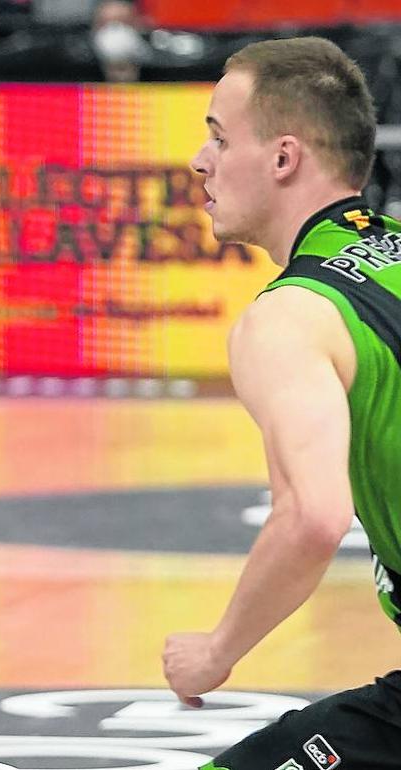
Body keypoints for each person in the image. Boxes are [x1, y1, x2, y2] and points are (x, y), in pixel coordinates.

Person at [163, 37, 401, 767]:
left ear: (283, 158)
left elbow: (313, 516)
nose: (200, 161)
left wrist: (215, 651)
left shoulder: (291, 316)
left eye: (218, 137)